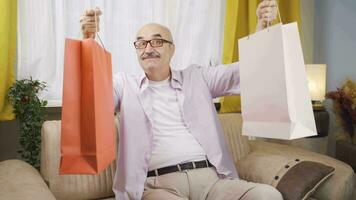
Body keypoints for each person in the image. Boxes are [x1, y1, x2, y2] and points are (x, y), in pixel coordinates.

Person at [80, 1, 282, 199]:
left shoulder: (197, 77)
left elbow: (243, 71)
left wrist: (261, 29)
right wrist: (88, 42)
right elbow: (93, 98)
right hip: (158, 186)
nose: (148, 48)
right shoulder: (123, 85)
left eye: (157, 41)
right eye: (141, 43)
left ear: (172, 49)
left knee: (267, 195)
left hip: (212, 181)